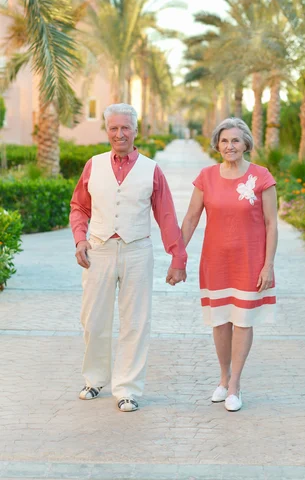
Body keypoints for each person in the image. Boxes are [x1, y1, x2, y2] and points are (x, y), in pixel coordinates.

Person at [70, 103, 187, 412]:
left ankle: (127, 389)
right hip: (99, 250)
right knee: (93, 320)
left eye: (125, 128)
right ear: (107, 130)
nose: (119, 133)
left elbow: (166, 216)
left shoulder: (152, 169)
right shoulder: (93, 165)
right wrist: (80, 240)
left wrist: (178, 258)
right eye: (113, 128)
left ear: (137, 131)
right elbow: (79, 207)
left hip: (137, 250)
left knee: (135, 322)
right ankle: (94, 380)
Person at [181, 118, 278, 412]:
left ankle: (235, 384)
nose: (230, 146)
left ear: (246, 143)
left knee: (243, 321)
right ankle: (223, 379)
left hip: (250, 262)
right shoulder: (206, 177)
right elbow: (191, 218)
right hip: (216, 261)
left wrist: (268, 265)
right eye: (224, 141)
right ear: (217, 144)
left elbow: (272, 224)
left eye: (236, 140)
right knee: (220, 321)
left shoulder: (262, 177)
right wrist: (177, 255)